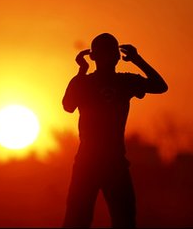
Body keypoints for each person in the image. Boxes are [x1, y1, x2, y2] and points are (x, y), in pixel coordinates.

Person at [62, 33, 168, 228]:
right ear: (118, 57)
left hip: (96, 162)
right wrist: (137, 60)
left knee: (78, 220)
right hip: (108, 162)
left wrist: (81, 72)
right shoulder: (123, 82)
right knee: (121, 220)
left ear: (92, 57)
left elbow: (68, 105)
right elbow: (160, 85)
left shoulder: (89, 82)